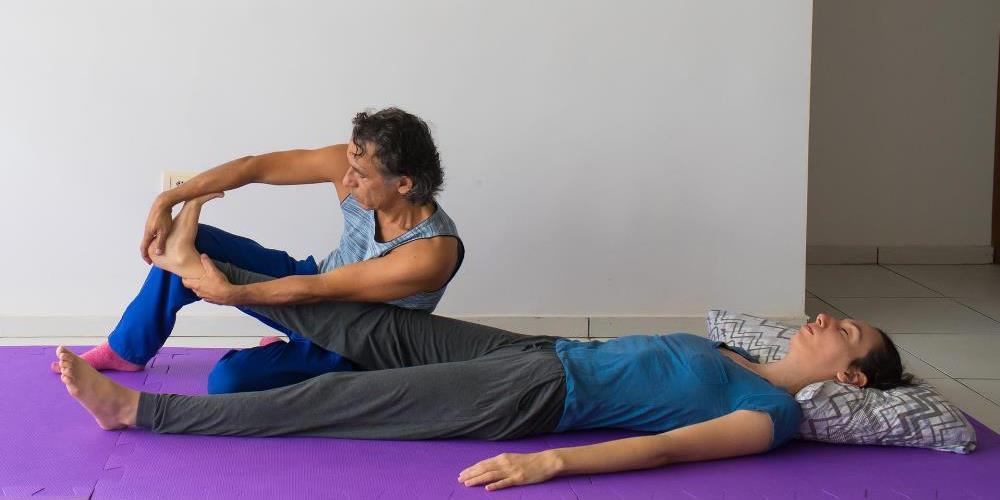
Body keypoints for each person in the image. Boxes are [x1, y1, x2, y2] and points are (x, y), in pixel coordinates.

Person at [54, 241, 914, 491]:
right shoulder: (741, 356)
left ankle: (137, 415)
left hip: (534, 398)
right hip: (535, 354)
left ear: (849, 377)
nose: (826, 319)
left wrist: (550, 461)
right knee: (368, 324)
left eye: (847, 330)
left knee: (331, 400)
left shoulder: (770, 420)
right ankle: (213, 279)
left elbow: (659, 453)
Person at [55, 108, 464, 394]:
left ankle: (307, 356)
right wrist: (168, 200)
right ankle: (126, 349)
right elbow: (255, 167)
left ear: (405, 184)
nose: (345, 177)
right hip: (313, 282)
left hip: (357, 340)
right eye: (349, 164)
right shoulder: (357, 164)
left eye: (359, 174)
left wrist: (234, 294)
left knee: (227, 382)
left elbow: (322, 291)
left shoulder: (431, 253)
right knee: (197, 243)